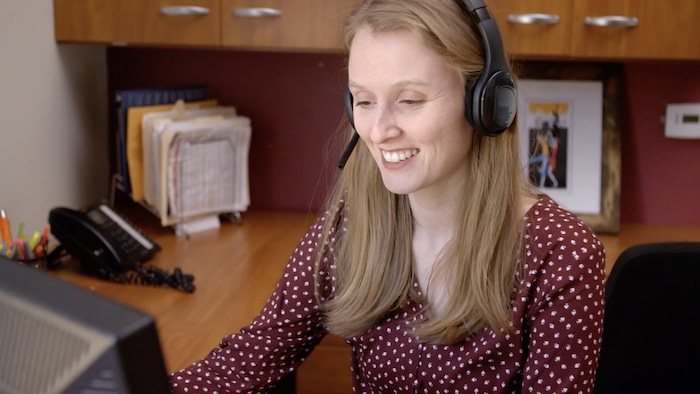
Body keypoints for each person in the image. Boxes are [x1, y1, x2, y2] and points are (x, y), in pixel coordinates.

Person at [169, 0, 606, 393]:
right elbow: (244, 363)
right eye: (364, 100)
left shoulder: (562, 255)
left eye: (410, 100)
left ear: (485, 104)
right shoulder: (353, 224)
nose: (379, 131)